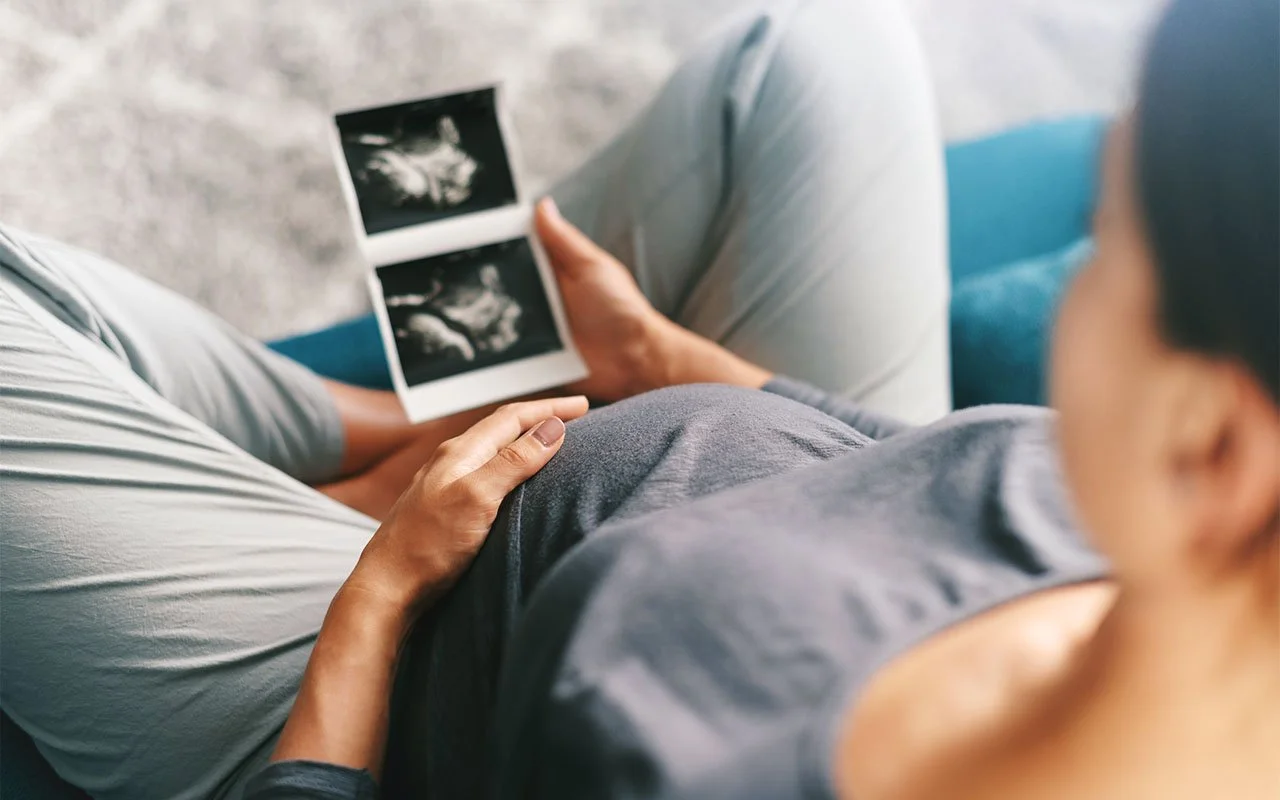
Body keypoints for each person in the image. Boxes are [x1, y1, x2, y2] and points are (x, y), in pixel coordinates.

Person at [0, 1, 1274, 799]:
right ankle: (404, 422)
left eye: (1105, 246)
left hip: (407, 666)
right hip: (733, 462)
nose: (1078, 277)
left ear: (1211, 444)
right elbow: (919, 463)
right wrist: (660, 364)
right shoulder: (1183, 548)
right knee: (819, 48)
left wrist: (381, 593)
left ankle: (352, 453)